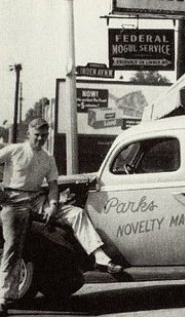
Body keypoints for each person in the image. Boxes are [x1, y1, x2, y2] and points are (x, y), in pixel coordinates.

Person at [0, 118, 123, 316]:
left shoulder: (47, 157)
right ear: (28, 135)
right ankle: (4, 298)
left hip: (38, 199)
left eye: (43, 135)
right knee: (13, 247)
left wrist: (53, 205)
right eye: (36, 135)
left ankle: (99, 256)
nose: (40, 139)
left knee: (77, 213)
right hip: (14, 199)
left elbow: (54, 186)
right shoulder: (14, 151)